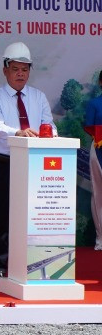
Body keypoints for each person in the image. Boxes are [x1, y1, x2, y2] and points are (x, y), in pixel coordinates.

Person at [0, 41, 57, 286]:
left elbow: (50, 124)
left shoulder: (38, 97)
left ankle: (32, 266)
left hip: (34, 166)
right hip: (4, 165)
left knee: (34, 217)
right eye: (15, 69)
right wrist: (19, 133)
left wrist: (50, 133)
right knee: (3, 219)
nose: (20, 74)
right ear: (5, 69)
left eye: (25, 70)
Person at [85, 71, 102, 251]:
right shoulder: (94, 103)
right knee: (98, 194)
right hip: (98, 150)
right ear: (100, 82)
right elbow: (88, 126)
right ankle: (101, 239)